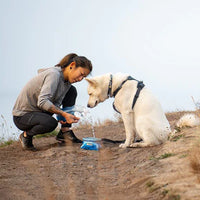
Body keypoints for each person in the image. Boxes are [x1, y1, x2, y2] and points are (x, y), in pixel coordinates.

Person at [12, 53, 92, 151]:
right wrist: (63, 113)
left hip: (40, 112)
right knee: (50, 123)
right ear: (72, 66)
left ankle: (65, 133)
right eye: (81, 74)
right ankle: (26, 136)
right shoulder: (53, 75)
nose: (80, 79)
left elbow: (56, 103)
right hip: (23, 116)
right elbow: (42, 102)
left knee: (72, 91)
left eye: (83, 77)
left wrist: (62, 117)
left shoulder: (66, 82)